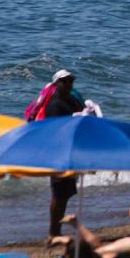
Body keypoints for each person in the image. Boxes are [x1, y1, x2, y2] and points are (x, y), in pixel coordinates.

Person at [43, 69, 87, 236]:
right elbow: (55, 131)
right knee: (59, 194)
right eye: (65, 81)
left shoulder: (72, 100)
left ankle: (57, 230)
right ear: (56, 84)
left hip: (72, 152)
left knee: (66, 193)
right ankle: (54, 232)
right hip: (58, 154)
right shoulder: (55, 104)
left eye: (70, 81)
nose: (69, 84)